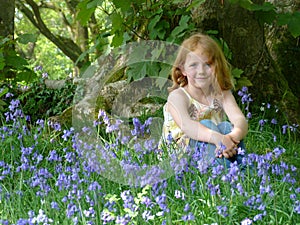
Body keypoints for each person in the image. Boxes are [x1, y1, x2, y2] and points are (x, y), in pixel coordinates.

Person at [161, 33, 248, 168]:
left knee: (226, 127)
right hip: (181, 157)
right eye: (194, 65)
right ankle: (226, 172)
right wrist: (217, 138)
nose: (201, 71)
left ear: (217, 66)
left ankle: (243, 168)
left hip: (219, 145)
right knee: (207, 124)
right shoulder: (178, 97)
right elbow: (188, 126)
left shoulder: (221, 93)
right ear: (183, 69)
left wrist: (233, 136)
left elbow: (239, 119)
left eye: (207, 64)